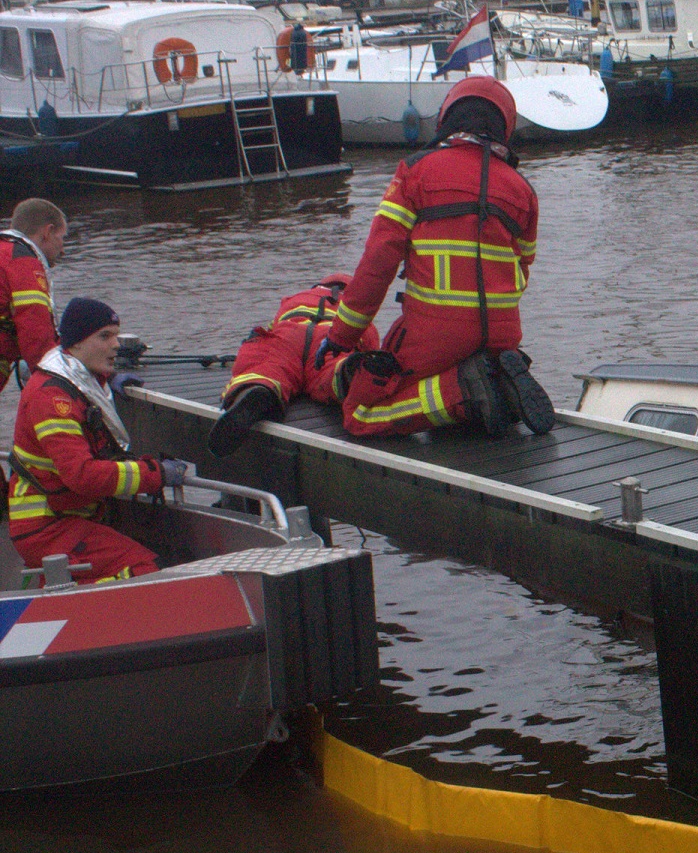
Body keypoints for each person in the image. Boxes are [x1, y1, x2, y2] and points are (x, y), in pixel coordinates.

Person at [322, 74, 555, 440]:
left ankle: (463, 389)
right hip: (502, 336)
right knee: (461, 400)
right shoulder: (523, 191)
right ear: (504, 127)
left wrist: (342, 335)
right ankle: (495, 384)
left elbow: (378, 264)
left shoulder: (415, 172)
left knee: (360, 413)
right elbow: (522, 270)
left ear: (448, 116)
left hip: (435, 335)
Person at [8, 299, 185, 584]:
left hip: (69, 518)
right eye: (105, 336)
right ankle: (75, 613)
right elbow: (82, 476)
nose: (116, 345)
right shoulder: (53, 399)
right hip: (48, 527)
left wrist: (107, 380)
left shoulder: (80, 381)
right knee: (143, 572)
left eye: (116, 335)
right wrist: (156, 474)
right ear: (76, 344)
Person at [206, 272, 379, 457]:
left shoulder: (295, 299)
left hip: (290, 333)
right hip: (330, 340)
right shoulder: (355, 307)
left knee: (267, 365)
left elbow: (273, 327)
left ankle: (258, 390)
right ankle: (346, 374)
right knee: (333, 372)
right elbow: (368, 340)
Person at [2, 198, 65, 381]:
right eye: (62, 238)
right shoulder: (21, 262)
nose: (63, 250)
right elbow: (37, 339)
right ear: (48, 231)